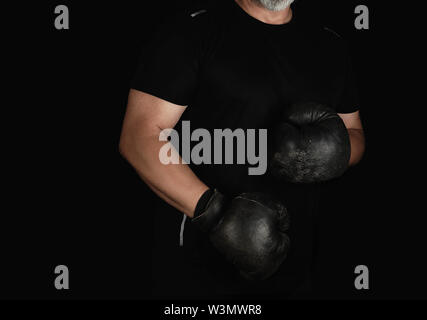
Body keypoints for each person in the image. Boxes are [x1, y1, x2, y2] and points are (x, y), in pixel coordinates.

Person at [119, 0, 365, 299]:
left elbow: (355, 134)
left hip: (294, 266)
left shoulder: (329, 45)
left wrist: (335, 153)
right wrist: (214, 214)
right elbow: (139, 135)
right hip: (198, 270)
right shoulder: (194, 29)